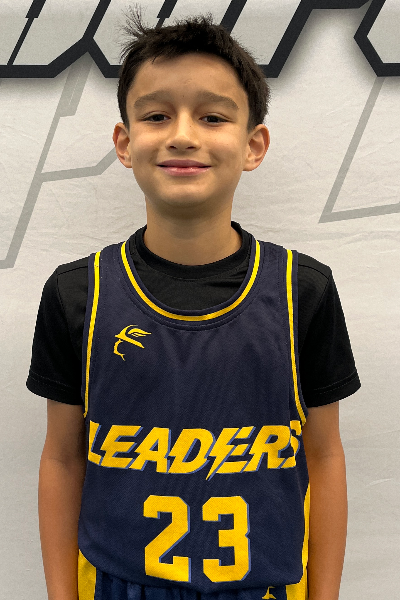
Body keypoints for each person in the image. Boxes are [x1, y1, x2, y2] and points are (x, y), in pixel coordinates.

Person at [27, 7, 361, 600]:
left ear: (253, 144)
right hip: (118, 585)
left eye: (212, 116)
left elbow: (325, 455)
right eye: (157, 115)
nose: (182, 134)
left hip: (263, 586)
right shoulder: (78, 293)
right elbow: (62, 460)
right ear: (125, 142)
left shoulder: (301, 290)